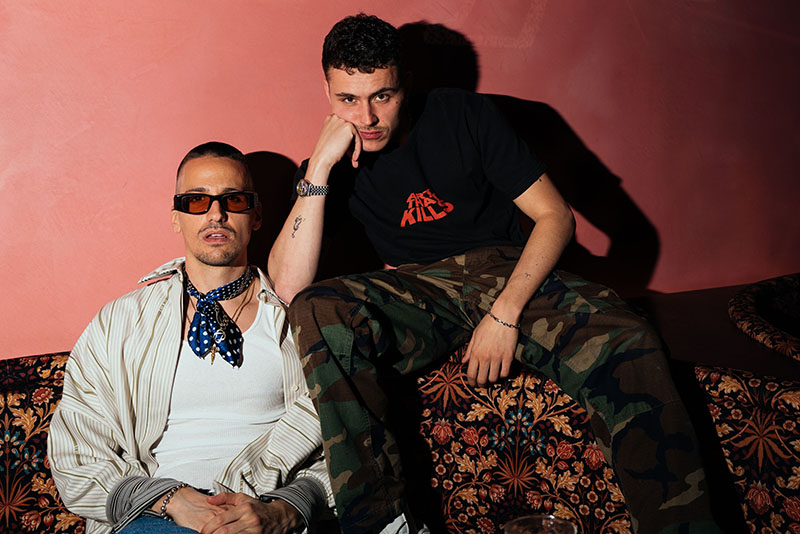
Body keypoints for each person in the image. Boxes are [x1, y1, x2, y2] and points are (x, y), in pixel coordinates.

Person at [268, 14, 722, 534]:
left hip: (504, 268)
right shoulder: (331, 162)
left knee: (629, 339)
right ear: (326, 90)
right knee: (318, 309)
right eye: (348, 99)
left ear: (405, 84)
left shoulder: (464, 114)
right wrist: (318, 170)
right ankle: (381, 526)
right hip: (418, 287)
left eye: (382, 96)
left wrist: (505, 315)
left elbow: (556, 217)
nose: (367, 117)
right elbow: (289, 287)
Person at [49, 142, 334, 534]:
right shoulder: (119, 323)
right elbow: (76, 453)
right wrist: (168, 499)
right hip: (158, 517)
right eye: (196, 201)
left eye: (233, 200)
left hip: (267, 511)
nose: (216, 214)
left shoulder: (300, 322)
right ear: (176, 218)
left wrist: (287, 509)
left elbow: (345, 440)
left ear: (256, 216)